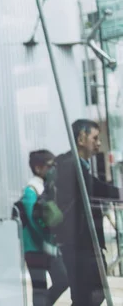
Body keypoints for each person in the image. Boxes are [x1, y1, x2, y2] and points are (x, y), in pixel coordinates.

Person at [53, 119, 121, 305]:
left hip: (79, 243)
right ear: (81, 139)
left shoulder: (72, 164)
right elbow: (95, 188)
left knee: (89, 293)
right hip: (79, 243)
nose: (98, 143)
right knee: (89, 293)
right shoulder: (71, 165)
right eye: (95, 138)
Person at [20, 150, 68, 306]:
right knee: (39, 287)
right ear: (38, 168)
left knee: (63, 279)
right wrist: (46, 242)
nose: (53, 169)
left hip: (48, 246)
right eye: (50, 165)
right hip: (35, 249)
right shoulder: (31, 190)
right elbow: (32, 222)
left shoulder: (47, 188)